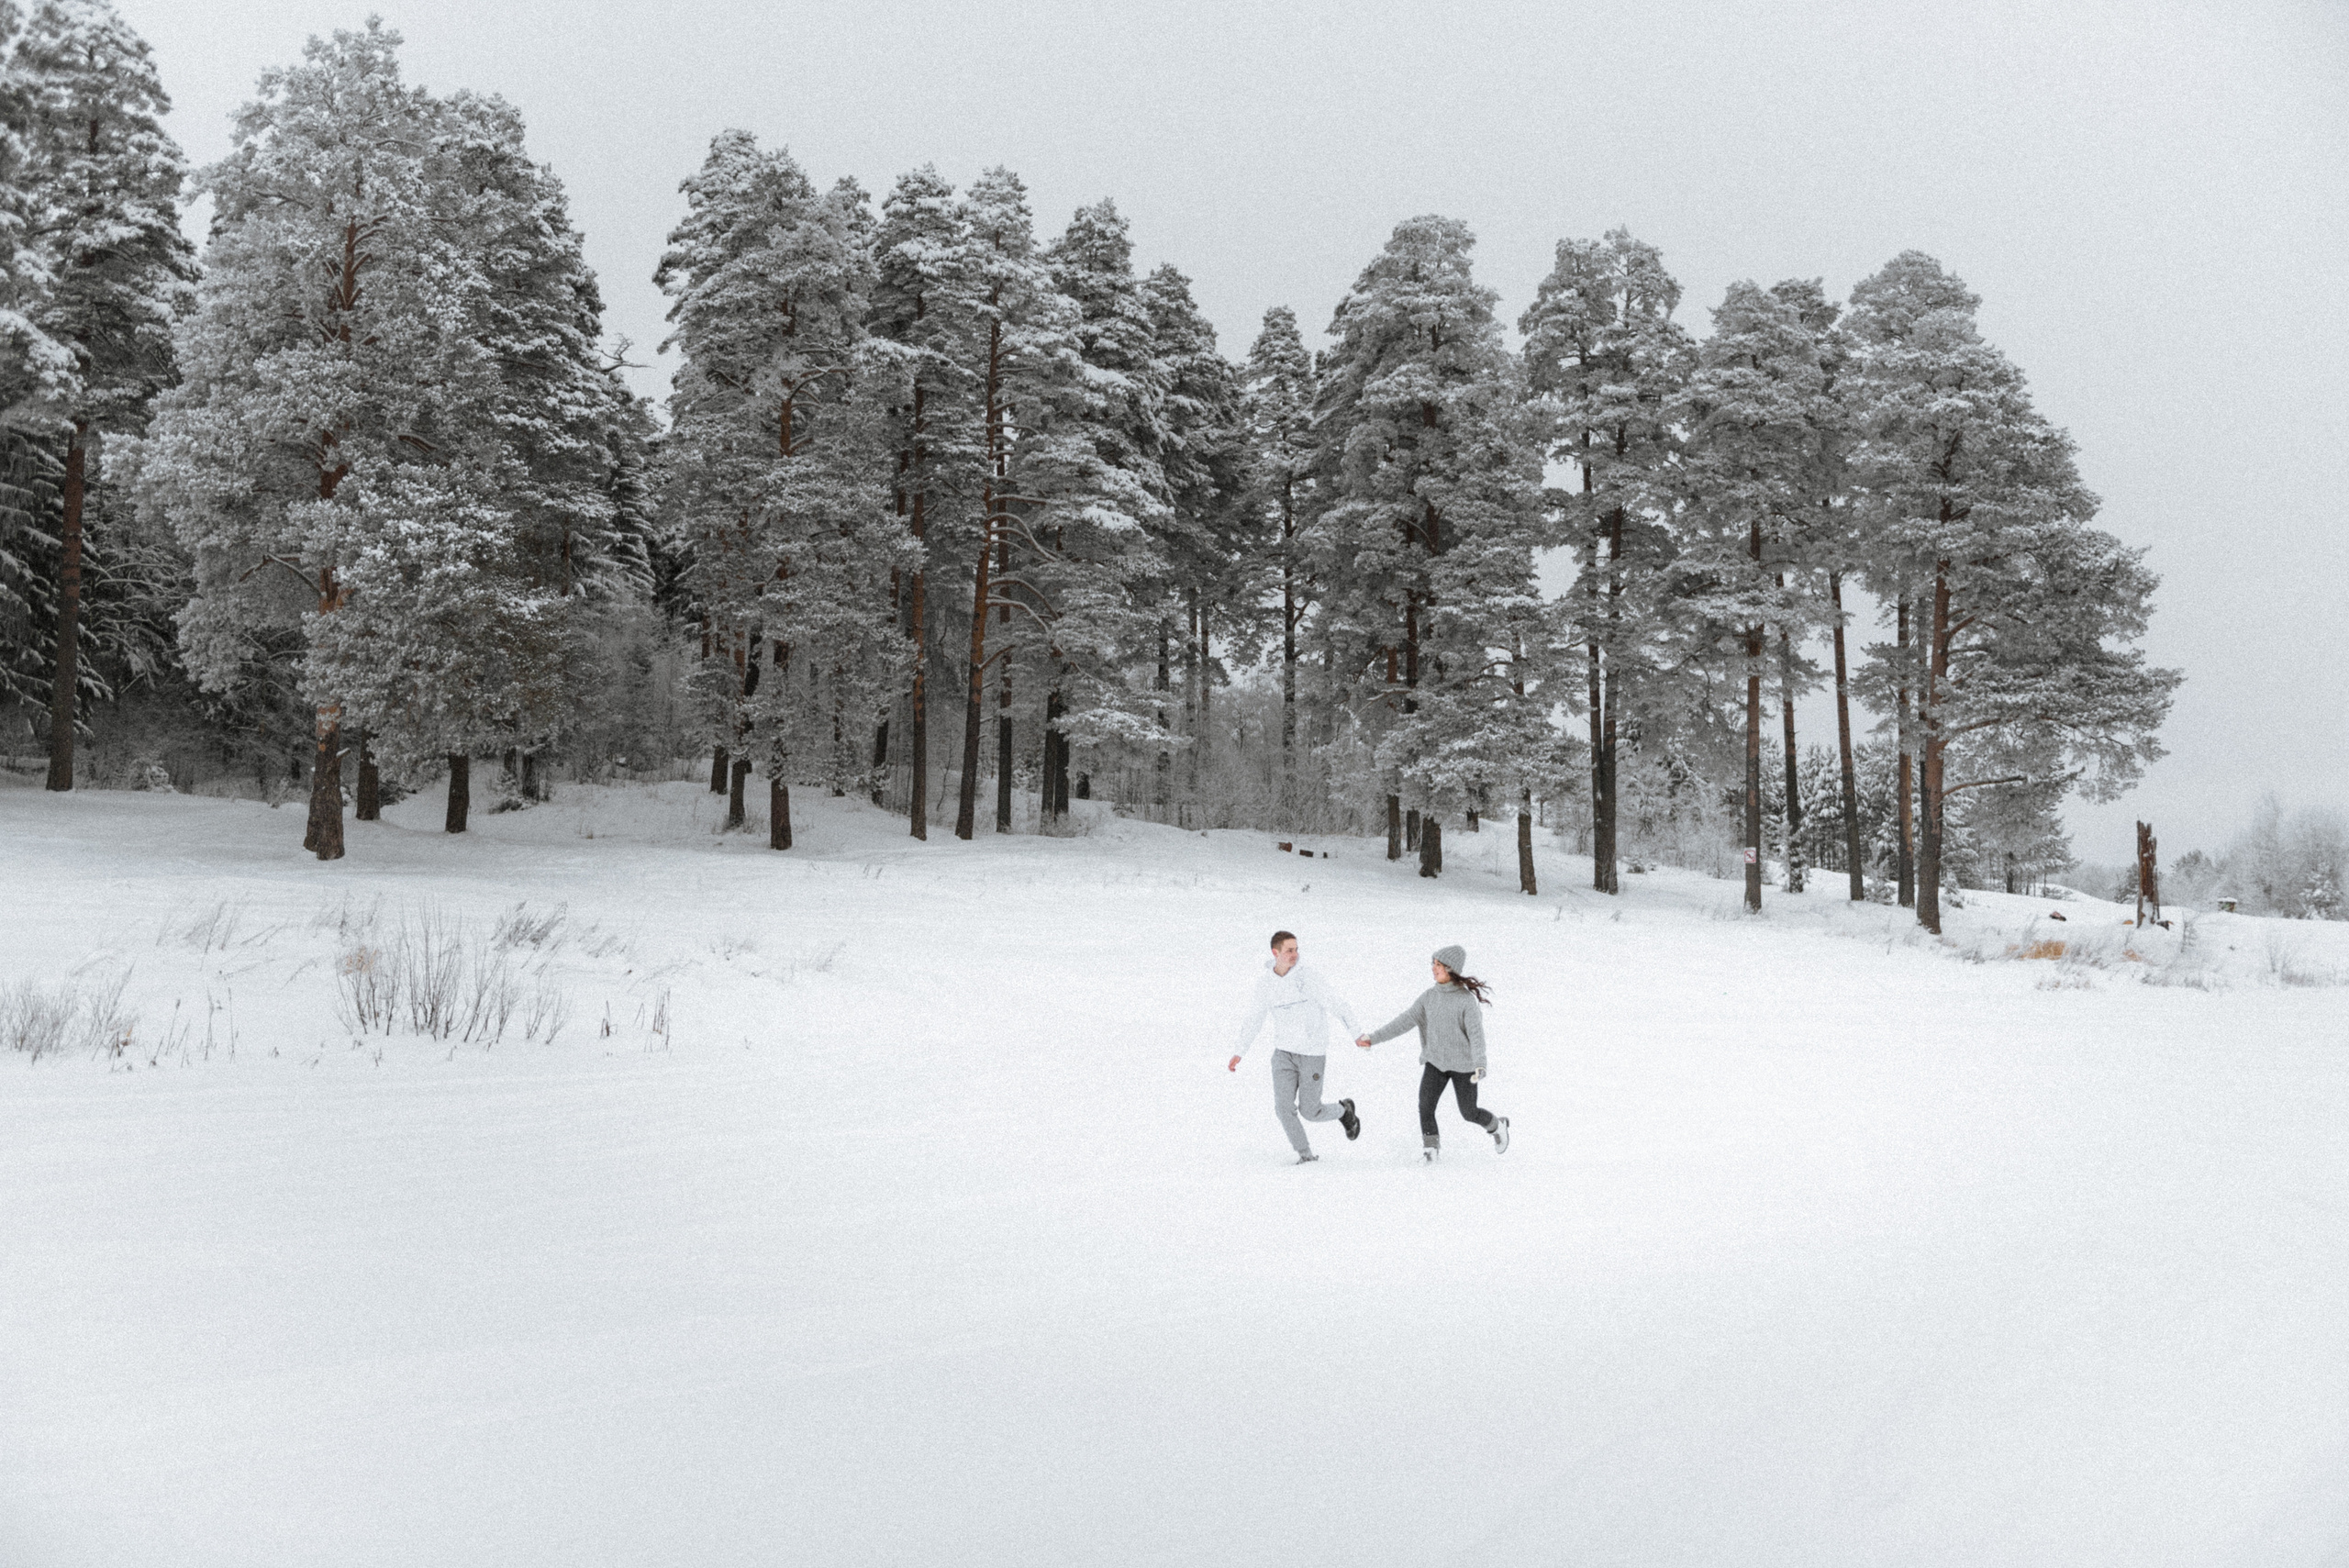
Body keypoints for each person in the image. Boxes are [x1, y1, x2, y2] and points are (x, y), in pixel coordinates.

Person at [1356, 944, 1509, 1162]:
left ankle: (1497, 1125)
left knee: (1468, 1112)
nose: (1433, 968)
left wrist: (1480, 1063)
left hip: (1463, 1066)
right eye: (1433, 964)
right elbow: (1404, 1021)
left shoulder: (1466, 1001)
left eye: (1439, 965)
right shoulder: (1429, 997)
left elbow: (1476, 1035)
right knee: (1425, 1106)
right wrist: (1373, 1038)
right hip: (1436, 1062)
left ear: (1451, 969)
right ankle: (1431, 1151)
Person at [1229, 929, 1365, 1163]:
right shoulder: (1266, 985)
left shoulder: (1308, 978)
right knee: (1283, 1109)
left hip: (1312, 1053)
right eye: (1289, 950)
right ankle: (1306, 1156)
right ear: (1276, 953)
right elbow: (1254, 1018)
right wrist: (1239, 1052)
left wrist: (1357, 1033)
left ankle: (1344, 1112)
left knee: (1310, 1111)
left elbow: (1337, 1004)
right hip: (1283, 1054)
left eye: (1296, 949)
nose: (1295, 954)